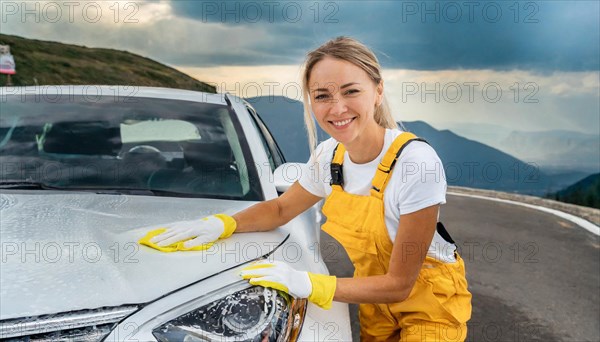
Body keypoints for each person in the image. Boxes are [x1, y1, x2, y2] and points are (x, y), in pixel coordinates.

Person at [148, 36, 472, 341]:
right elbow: (279, 209)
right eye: (322, 96)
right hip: (374, 300)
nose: (337, 108)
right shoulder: (329, 156)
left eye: (350, 91)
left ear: (378, 91)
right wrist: (220, 224)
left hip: (430, 304)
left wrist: (307, 283)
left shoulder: (415, 163)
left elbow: (400, 284)